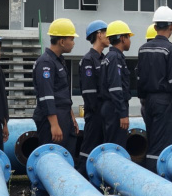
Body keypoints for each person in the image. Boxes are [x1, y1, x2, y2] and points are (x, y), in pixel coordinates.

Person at [136, 7, 172, 173]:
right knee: (162, 145)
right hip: (163, 101)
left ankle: (149, 174)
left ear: (156, 26)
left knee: (152, 140)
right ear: (171, 27)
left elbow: (139, 78)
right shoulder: (170, 49)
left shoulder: (143, 49)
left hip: (147, 102)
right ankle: (156, 180)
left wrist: (144, 102)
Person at [33, 18, 79, 154]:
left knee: (66, 153)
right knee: (53, 155)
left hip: (63, 115)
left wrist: (71, 118)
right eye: (71, 39)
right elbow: (46, 96)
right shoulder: (45, 63)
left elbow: (64, 93)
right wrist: (54, 125)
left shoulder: (59, 61)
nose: (73, 43)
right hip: (52, 117)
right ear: (62, 41)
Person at [76, 20, 108, 172]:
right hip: (95, 114)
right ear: (99, 35)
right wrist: (97, 111)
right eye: (106, 32)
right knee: (89, 147)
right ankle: (82, 176)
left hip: (104, 113)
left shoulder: (104, 59)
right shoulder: (89, 60)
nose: (109, 36)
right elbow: (88, 91)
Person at [99, 20, 133, 147]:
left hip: (110, 107)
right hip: (115, 110)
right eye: (128, 37)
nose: (130, 41)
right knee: (116, 146)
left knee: (111, 144)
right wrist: (122, 113)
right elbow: (115, 88)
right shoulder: (115, 58)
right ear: (123, 38)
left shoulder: (109, 56)